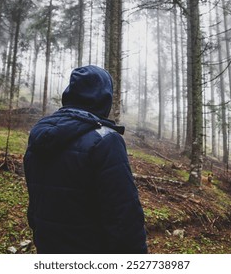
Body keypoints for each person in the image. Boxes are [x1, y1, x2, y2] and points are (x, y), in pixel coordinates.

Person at [23, 65, 147, 254]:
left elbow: (35, 209)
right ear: (105, 98)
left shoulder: (39, 137)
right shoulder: (106, 141)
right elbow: (125, 220)